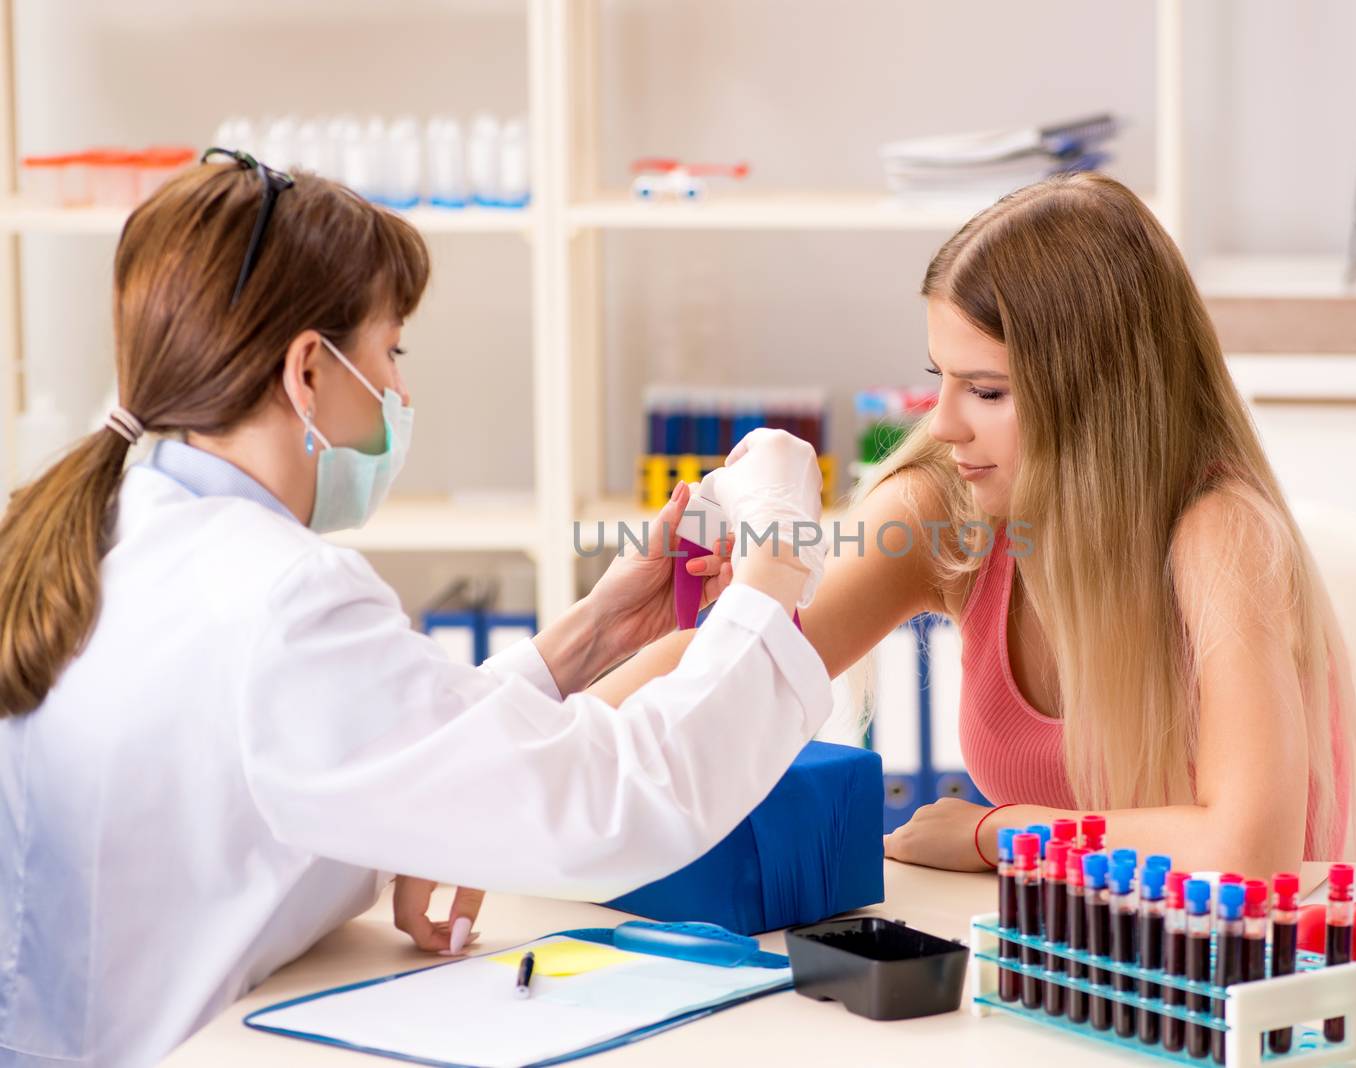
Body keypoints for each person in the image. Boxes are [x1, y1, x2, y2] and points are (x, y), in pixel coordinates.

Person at [0, 153, 826, 1067]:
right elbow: (614, 806)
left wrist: (590, 634)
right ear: (307, 370)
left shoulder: (109, 529)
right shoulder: (279, 595)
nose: (402, 393)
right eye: (390, 351)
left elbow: (325, 748)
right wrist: (777, 560)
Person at [593, 172, 1356, 879]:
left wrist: (998, 832)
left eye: (988, 392)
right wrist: (511, 790)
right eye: (941, 379)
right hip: (1063, 952)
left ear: (1103, 399)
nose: (946, 423)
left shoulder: (1218, 533)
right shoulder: (952, 502)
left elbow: (1247, 851)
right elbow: (732, 659)